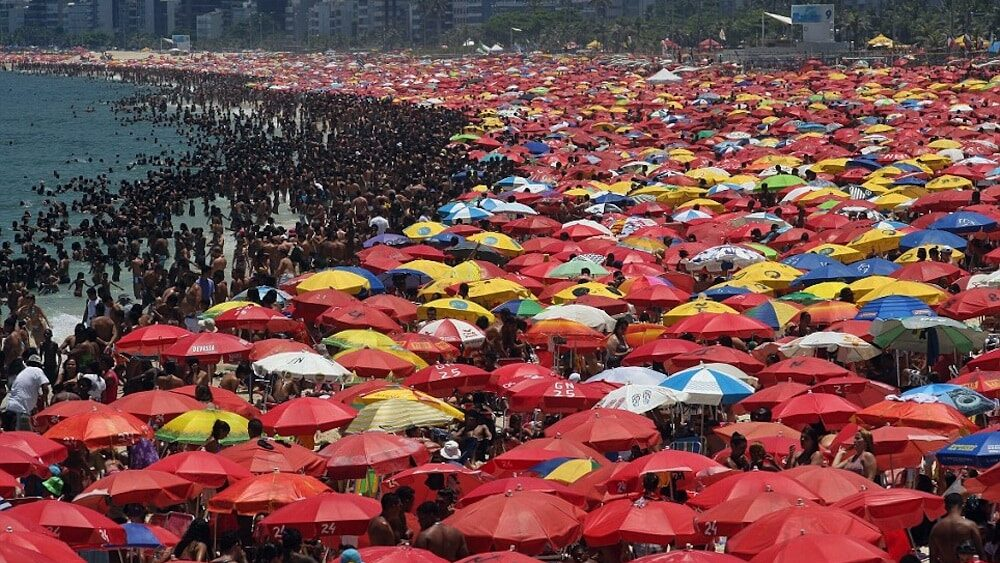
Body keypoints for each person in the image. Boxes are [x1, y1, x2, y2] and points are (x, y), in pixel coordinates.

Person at [930, 493, 984, 563]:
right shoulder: (970, 525)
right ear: (962, 505)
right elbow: (981, 553)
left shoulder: (936, 528)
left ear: (945, 507)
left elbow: (932, 557)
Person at [2, 354, 50, 431]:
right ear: (39, 365)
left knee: (9, 437)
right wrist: (46, 401)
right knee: (27, 437)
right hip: (21, 411)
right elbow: (45, 388)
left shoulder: (23, 373)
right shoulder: (38, 371)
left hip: (9, 408)